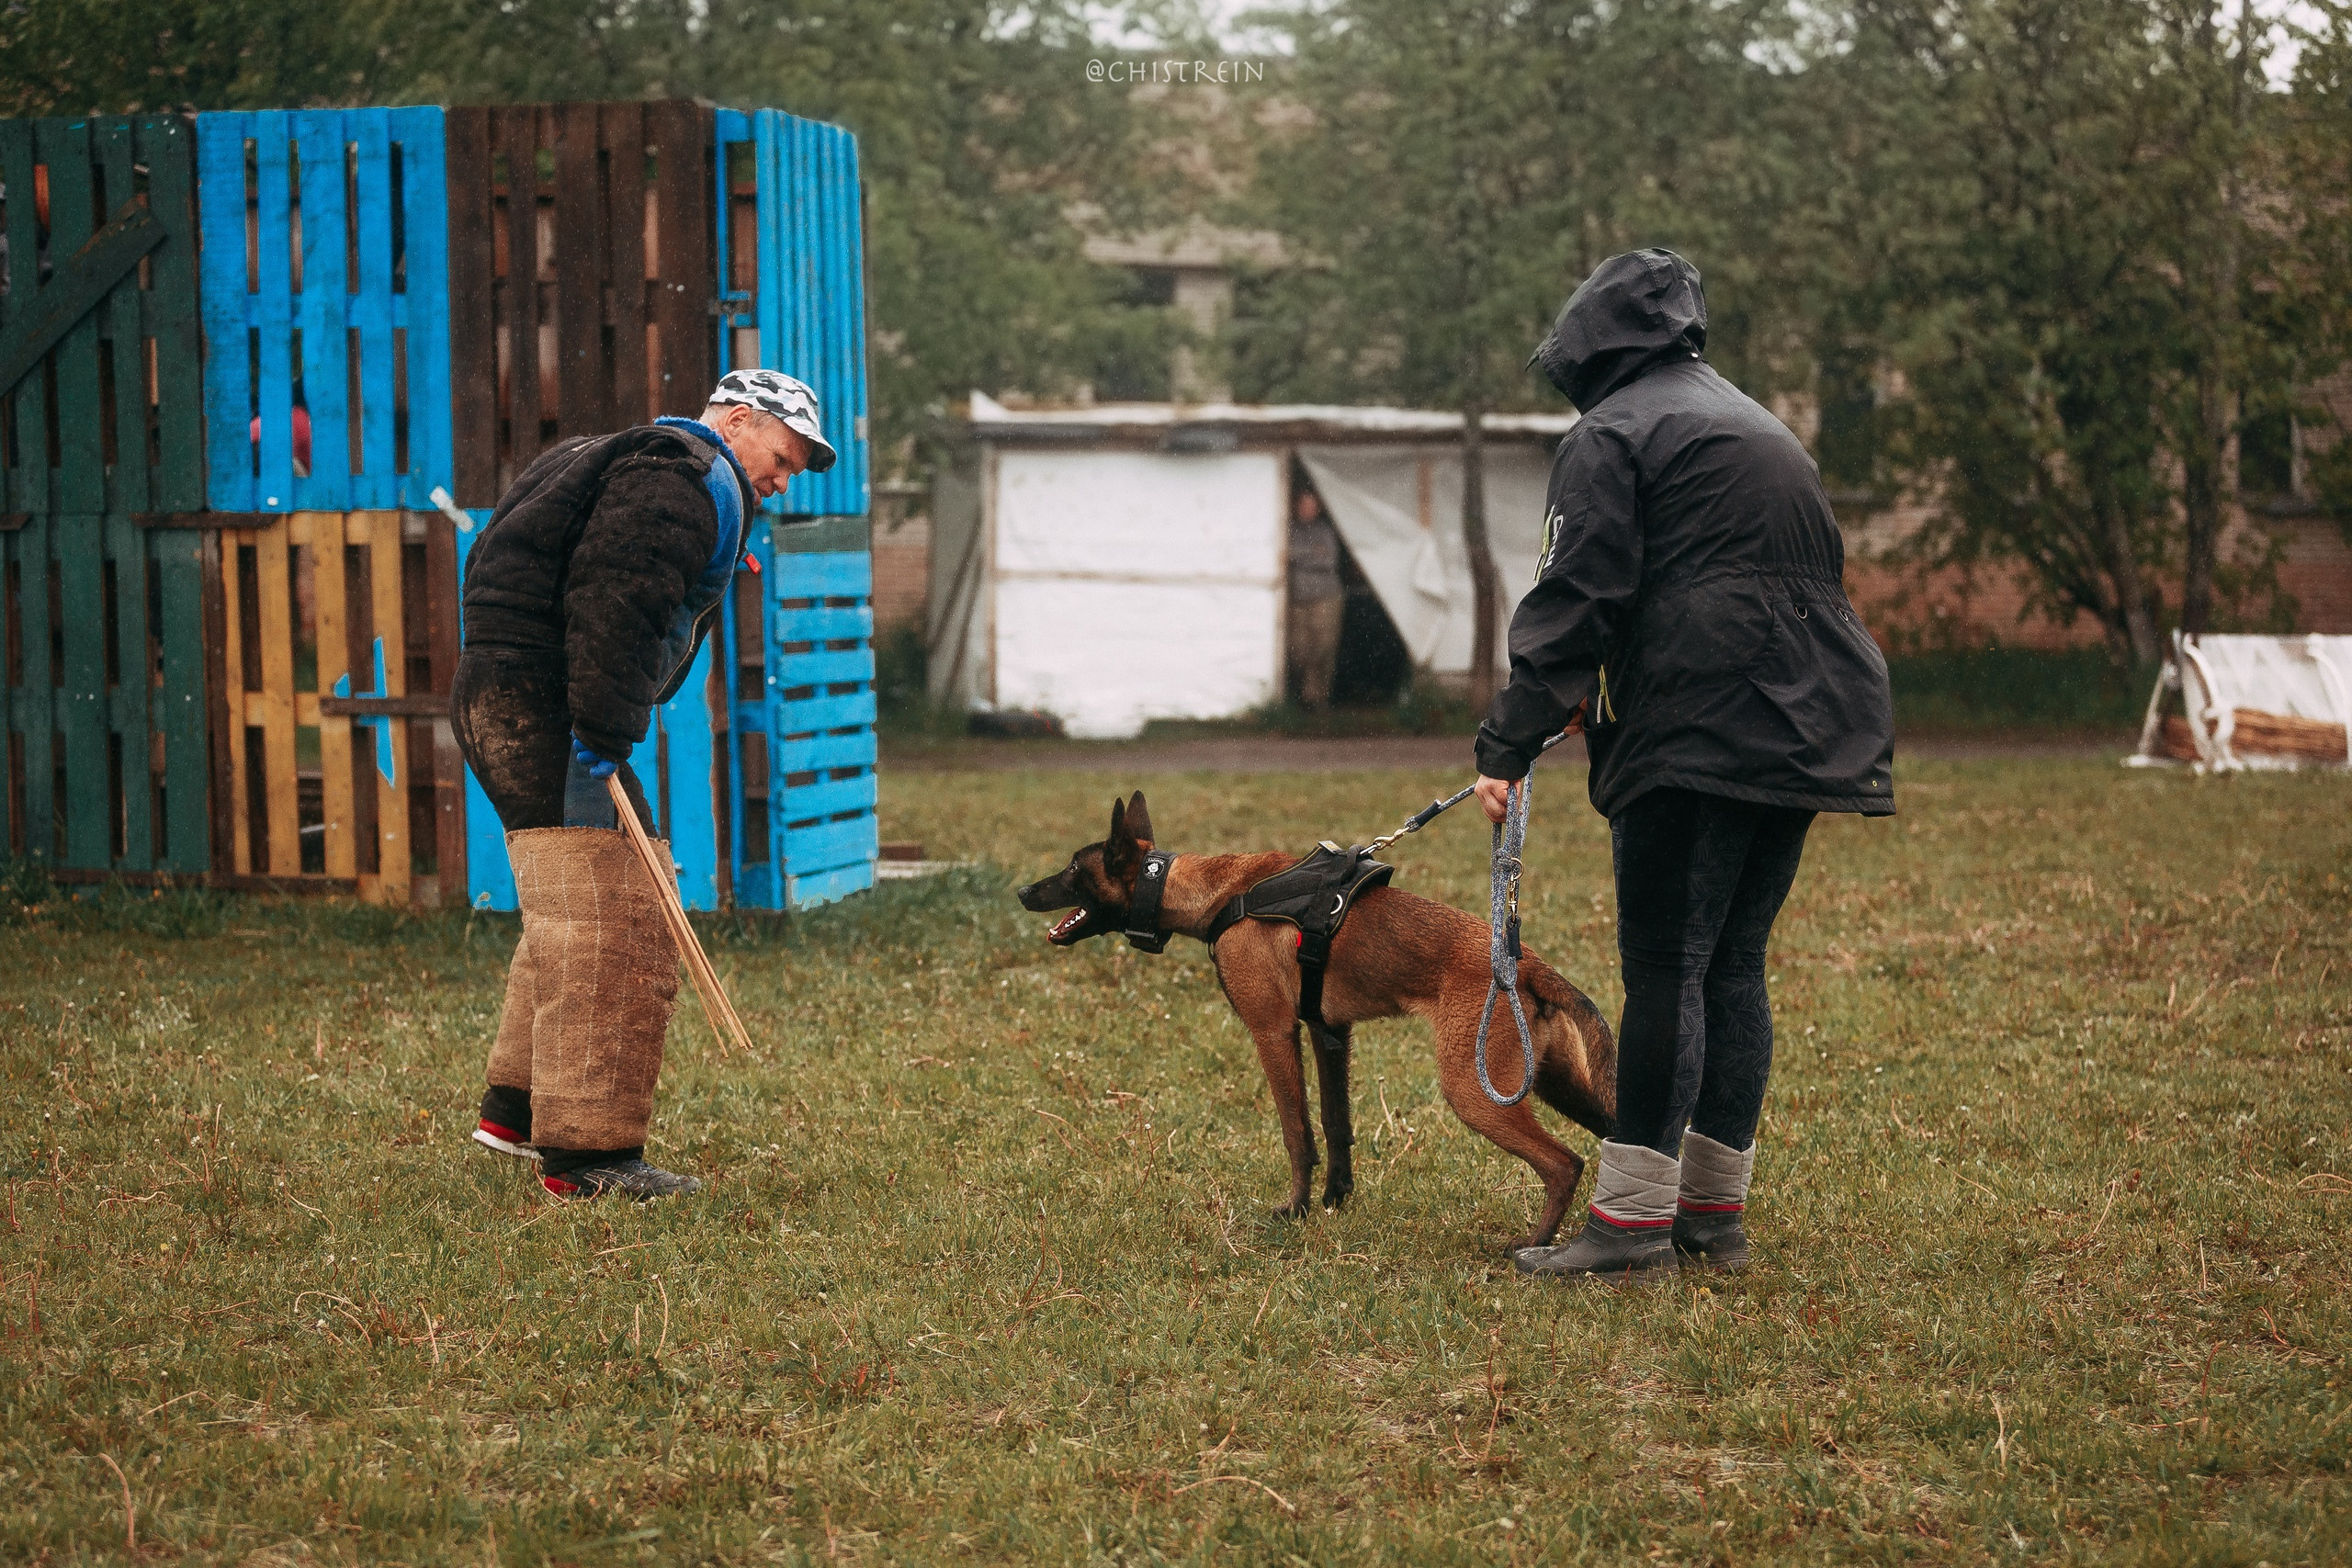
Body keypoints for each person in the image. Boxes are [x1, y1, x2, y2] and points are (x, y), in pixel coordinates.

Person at [1472, 250, 1894, 1280]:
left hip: (1702, 726)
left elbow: (1578, 594)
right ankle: (1710, 1215)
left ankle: (1626, 1234)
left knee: (1668, 965)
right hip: (1813, 719)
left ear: (1590, 346)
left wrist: (1507, 739)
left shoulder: (1611, 433)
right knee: (1731, 963)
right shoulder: (1760, 426)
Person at [454, 369, 835, 1201]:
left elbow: (496, 559)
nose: (783, 479)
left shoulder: (608, 454)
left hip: (506, 692)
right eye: (782, 456)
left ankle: (515, 1110)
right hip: (547, 708)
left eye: (797, 468)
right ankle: (588, 1161)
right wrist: (600, 725)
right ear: (738, 421)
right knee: (618, 919)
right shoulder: (682, 480)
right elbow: (614, 599)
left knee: (580, 904)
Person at [1286, 488, 1345, 710]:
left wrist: (1298, 557)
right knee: (1298, 649)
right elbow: (1284, 553)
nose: (1307, 509)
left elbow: (1329, 560)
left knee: (1323, 647)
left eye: (1312, 505)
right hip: (1298, 598)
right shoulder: (1288, 528)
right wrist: (1311, 554)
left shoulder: (1325, 531)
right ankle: (1301, 696)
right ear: (1296, 505)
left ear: (1318, 508)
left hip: (1325, 597)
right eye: (1303, 504)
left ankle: (1318, 699)